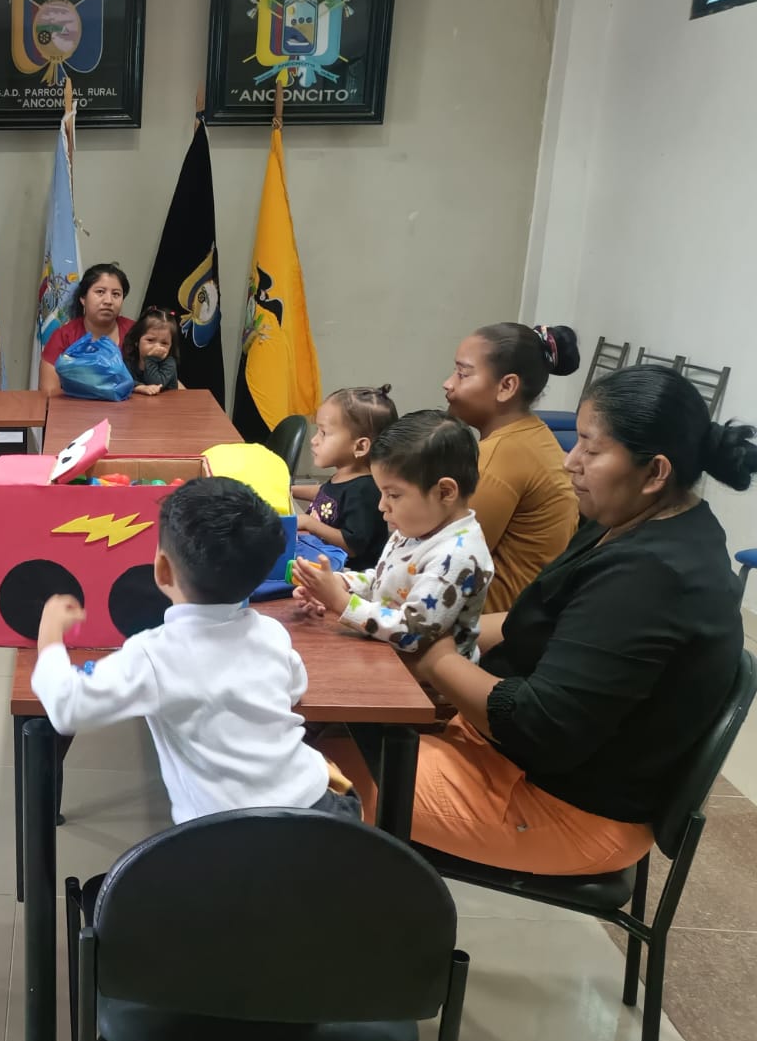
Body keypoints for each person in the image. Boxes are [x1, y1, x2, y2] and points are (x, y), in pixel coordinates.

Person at [329, 365, 757, 875]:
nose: (571, 461)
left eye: (590, 449)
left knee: (310, 769)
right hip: (513, 755)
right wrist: (445, 633)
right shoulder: (627, 522)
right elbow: (530, 622)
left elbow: (537, 725)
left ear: (655, 472)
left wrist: (434, 656)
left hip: (563, 807)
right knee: (335, 722)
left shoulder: (653, 577)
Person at [31, 478, 360, 825]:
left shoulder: (153, 655)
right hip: (323, 816)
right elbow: (295, 688)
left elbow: (67, 708)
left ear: (162, 569)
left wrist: (50, 636)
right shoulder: (272, 633)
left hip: (223, 838)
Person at [293, 410, 493, 658]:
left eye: (393, 495)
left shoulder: (457, 555)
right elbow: (385, 582)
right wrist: (339, 583)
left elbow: (411, 632)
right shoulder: (418, 527)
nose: (381, 506)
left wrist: (339, 601)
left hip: (422, 677)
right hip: (385, 653)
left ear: (444, 492)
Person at [444, 322, 581, 612]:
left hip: (489, 623)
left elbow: (448, 561)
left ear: (506, 387)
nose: (448, 383)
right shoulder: (531, 432)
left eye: (462, 374)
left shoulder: (498, 456)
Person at [292, 385, 398, 571]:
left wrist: (310, 523)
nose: (314, 440)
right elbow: (329, 494)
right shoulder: (345, 475)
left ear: (360, 447)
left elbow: (352, 546)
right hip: (323, 558)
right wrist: (290, 490)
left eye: (323, 433)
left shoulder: (365, 490)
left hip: (349, 574)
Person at [39, 264, 134, 397]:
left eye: (116, 294)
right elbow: (49, 393)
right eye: (100, 292)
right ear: (83, 298)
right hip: (74, 408)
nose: (108, 301)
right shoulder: (63, 336)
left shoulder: (136, 332)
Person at [121, 307, 182, 395]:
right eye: (150, 340)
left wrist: (151, 359)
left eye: (164, 343)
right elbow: (122, 380)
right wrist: (139, 387)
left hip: (165, 402)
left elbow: (156, 384)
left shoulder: (169, 363)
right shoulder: (130, 360)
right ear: (137, 341)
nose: (157, 347)